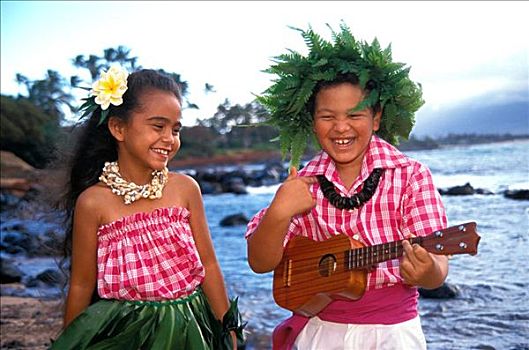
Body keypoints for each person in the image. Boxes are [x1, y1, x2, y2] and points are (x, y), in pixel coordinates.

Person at [245, 24, 448, 349]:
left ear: (377, 117)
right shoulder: (303, 183)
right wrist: (279, 212)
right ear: (312, 121)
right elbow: (260, 262)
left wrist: (426, 273)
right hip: (320, 331)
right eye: (327, 116)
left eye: (355, 114)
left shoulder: (410, 175)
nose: (341, 127)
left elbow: (438, 267)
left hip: (393, 334)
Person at [51, 66, 244, 349]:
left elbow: (209, 265)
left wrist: (228, 330)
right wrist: (71, 342)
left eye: (175, 129)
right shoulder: (93, 203)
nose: (169, 138)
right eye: (158, 126)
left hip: (190, 326)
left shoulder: (185, 189)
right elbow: (81, 284)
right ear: (118, 127)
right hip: (126, 333)